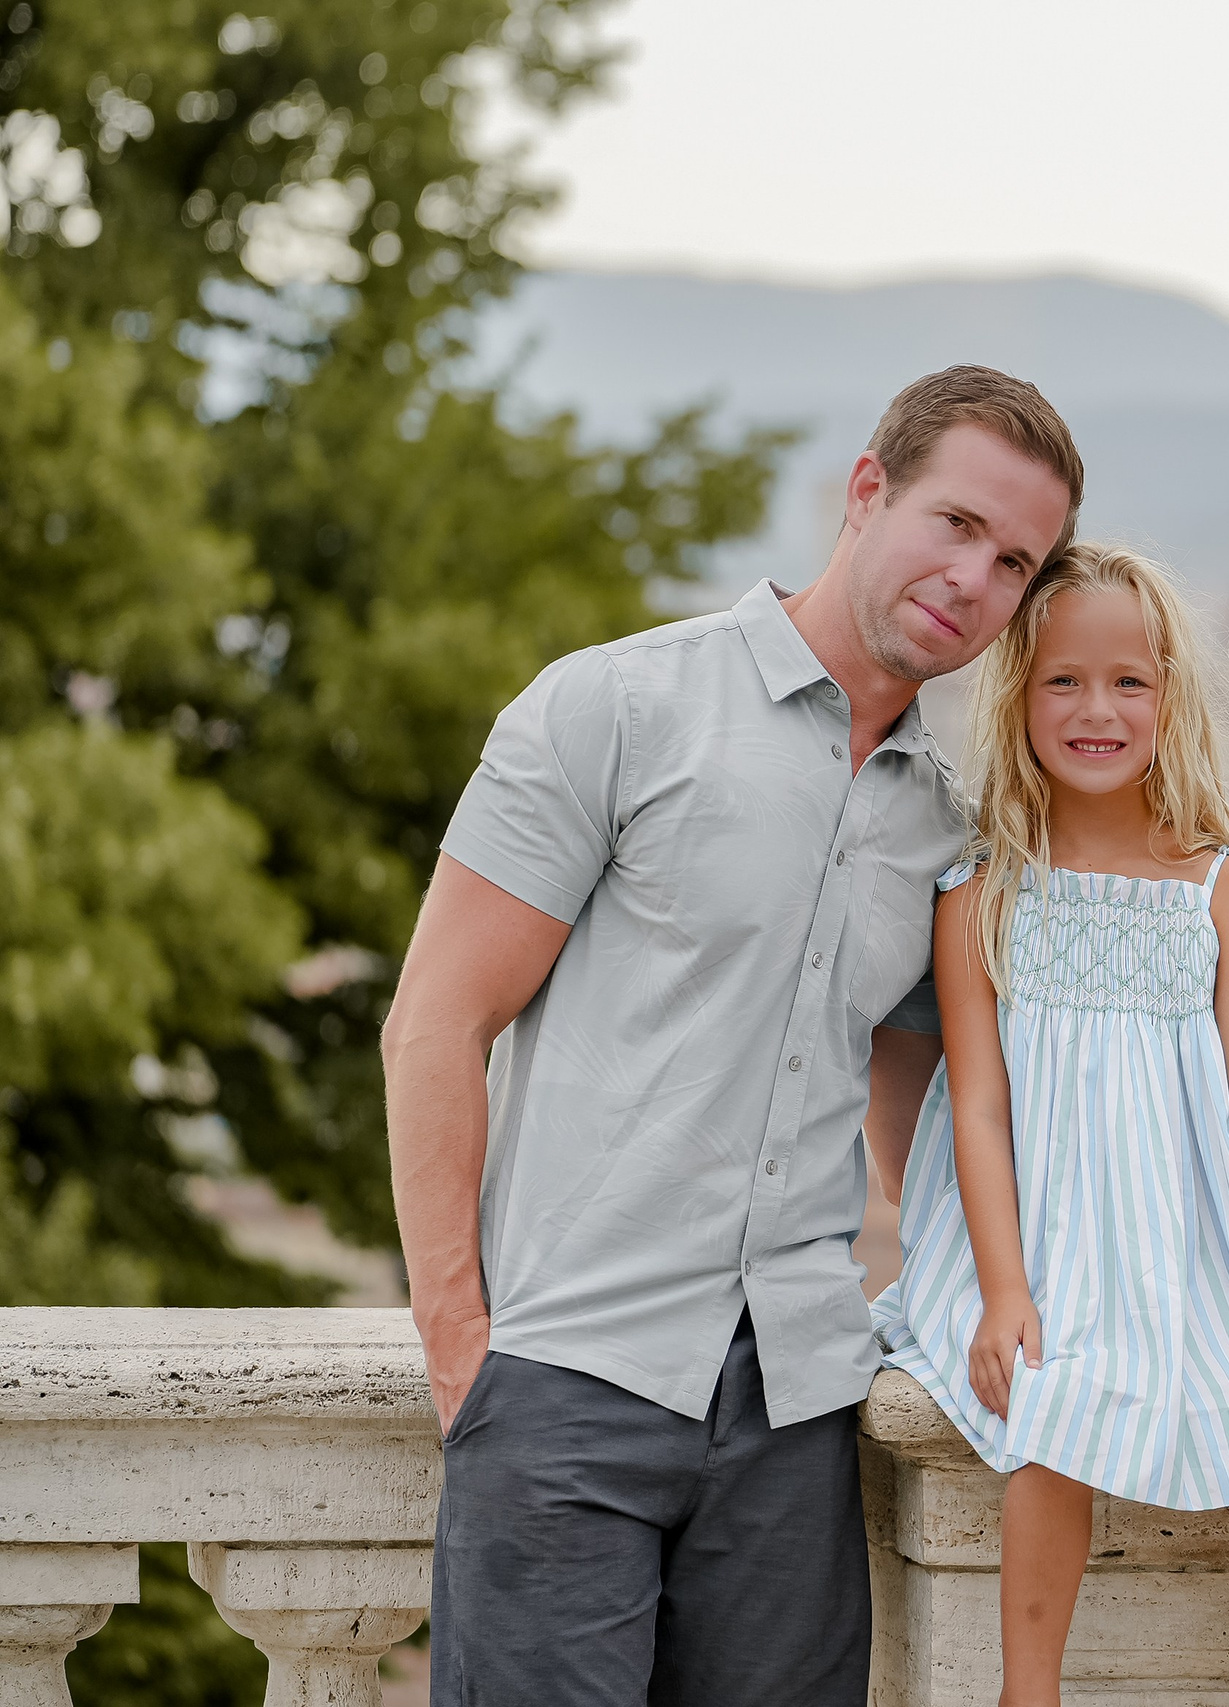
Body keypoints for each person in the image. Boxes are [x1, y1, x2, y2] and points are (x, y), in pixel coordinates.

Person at [381, 365, 1083, 1706]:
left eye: (1014, 561)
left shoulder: (945, 829)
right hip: (569, 1378)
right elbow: (434, 1023)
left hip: (793, 1413)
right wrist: (462, 1341)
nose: (974, 579)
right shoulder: (616, 709)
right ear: (866, 488)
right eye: (954, 522)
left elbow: (922, 1123)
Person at [872, 544, 1229, 1707]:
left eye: (1129, 681)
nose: (1096, 709)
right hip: (1047, 1216)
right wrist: (1006, 1284)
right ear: (1017, 693)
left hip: (1209, 1219)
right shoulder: (979, 893)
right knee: (1057, 1406)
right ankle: (1033, 1696)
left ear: (1171, 697)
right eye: (1064, 681)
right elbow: (974, 1101)